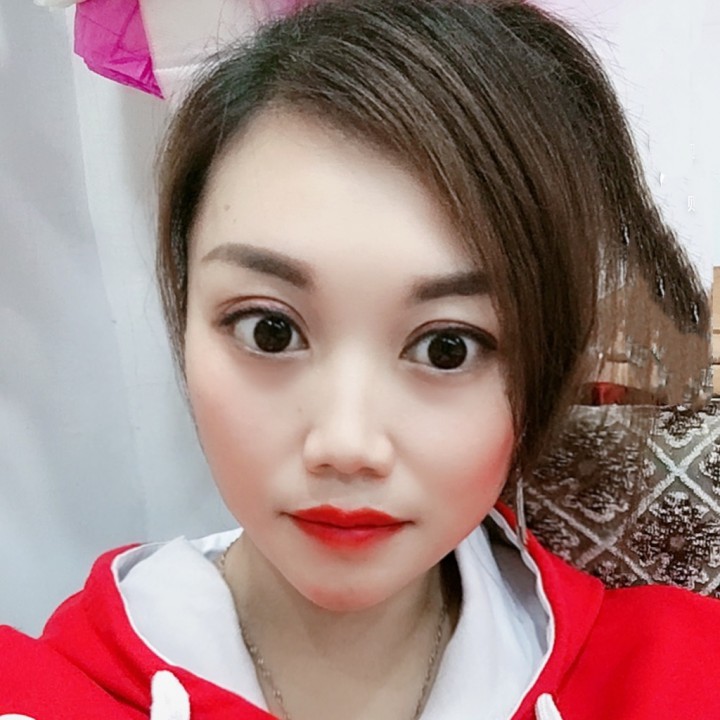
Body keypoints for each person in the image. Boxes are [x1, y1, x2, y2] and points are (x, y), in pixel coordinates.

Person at [0, 1, 716, 718]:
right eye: (270, 331)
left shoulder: (681, 677)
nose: (346, 446)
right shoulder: (43, 691)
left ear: (544, 367)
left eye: (447, 348)